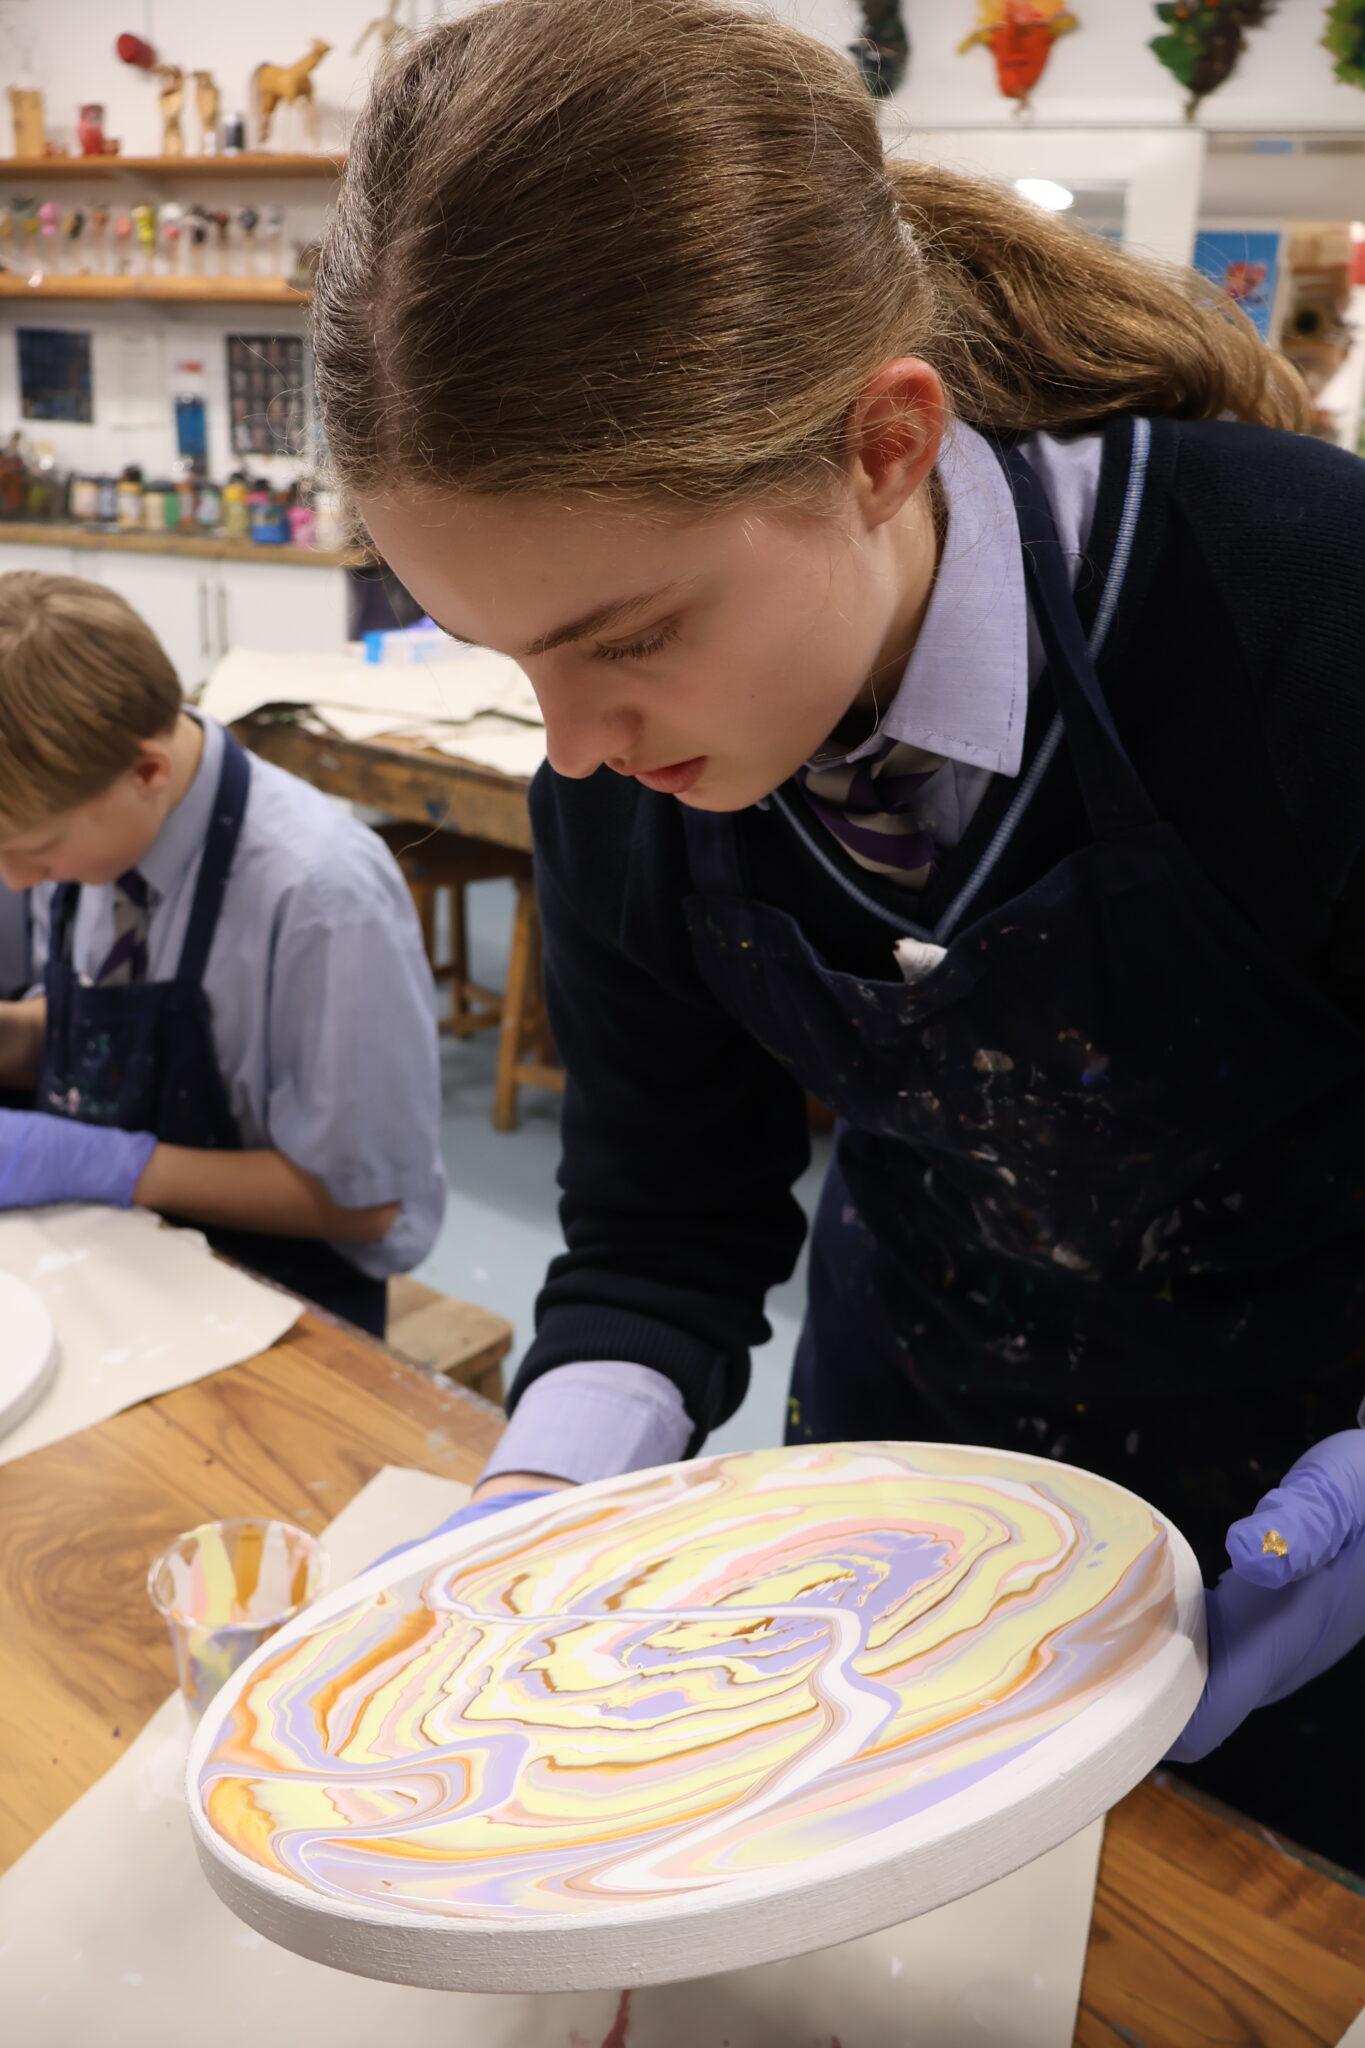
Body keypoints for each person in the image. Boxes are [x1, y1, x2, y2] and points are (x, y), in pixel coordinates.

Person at [310, 0, 1365, 1864]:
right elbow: (664, 1232)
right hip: (904, 1520)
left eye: (631, 635)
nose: (576, 745)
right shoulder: (617, 782)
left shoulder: (1302, 607)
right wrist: (535, 1501)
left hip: (1300, 1519)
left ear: (885, 444)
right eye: (507, 653)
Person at [0, 570, 446, 1335]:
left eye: (37, 850)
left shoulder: (320, 897)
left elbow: (364, 1204)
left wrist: (104, 1163)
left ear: (148, 772)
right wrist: (16, 1035)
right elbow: (107, 1024)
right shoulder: (81, 825)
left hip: (279, 1299)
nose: (16, 880)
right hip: (116, 1257)